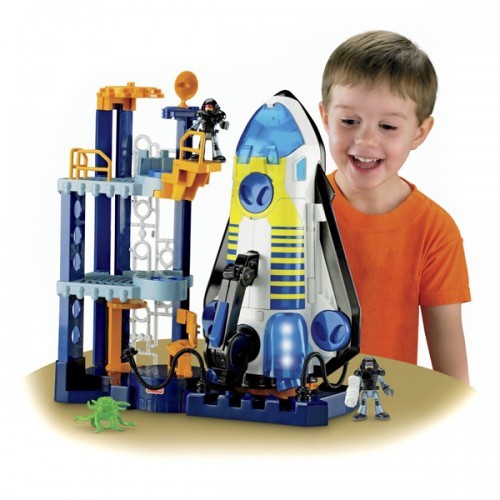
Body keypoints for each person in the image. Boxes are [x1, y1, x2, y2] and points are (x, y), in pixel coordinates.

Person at [318, 30, 471, 384]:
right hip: (295, 407)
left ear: (419, 133)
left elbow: (453, 380)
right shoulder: (292, 207)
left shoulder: (435, 231)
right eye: (348, 121)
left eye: (388, 126)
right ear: (325, 117)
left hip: (386, 410)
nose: (365, 140)